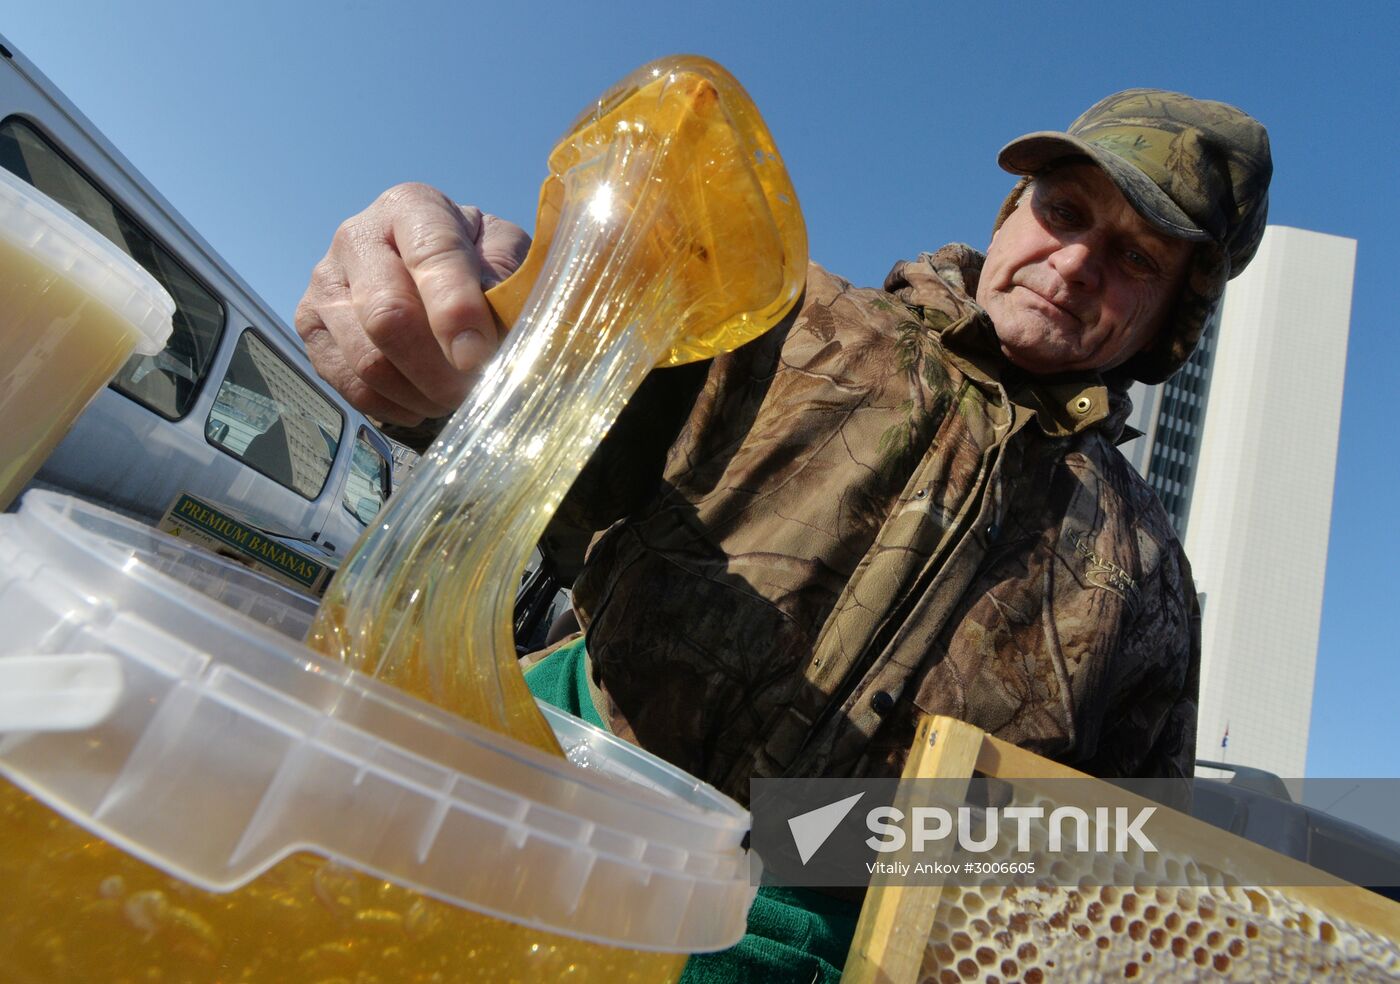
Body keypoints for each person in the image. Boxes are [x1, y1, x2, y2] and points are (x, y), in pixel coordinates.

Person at [295, 88, 1271, 979]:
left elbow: (1112, 882)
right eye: (1061, 210)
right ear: (1010, 213)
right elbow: (540, 424)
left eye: (1135, 257)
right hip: (531, 822)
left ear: (1171, 322)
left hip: (822, 956)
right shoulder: (779, 311)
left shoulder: (1148, 576)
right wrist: (461, 326)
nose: (1073, 263)